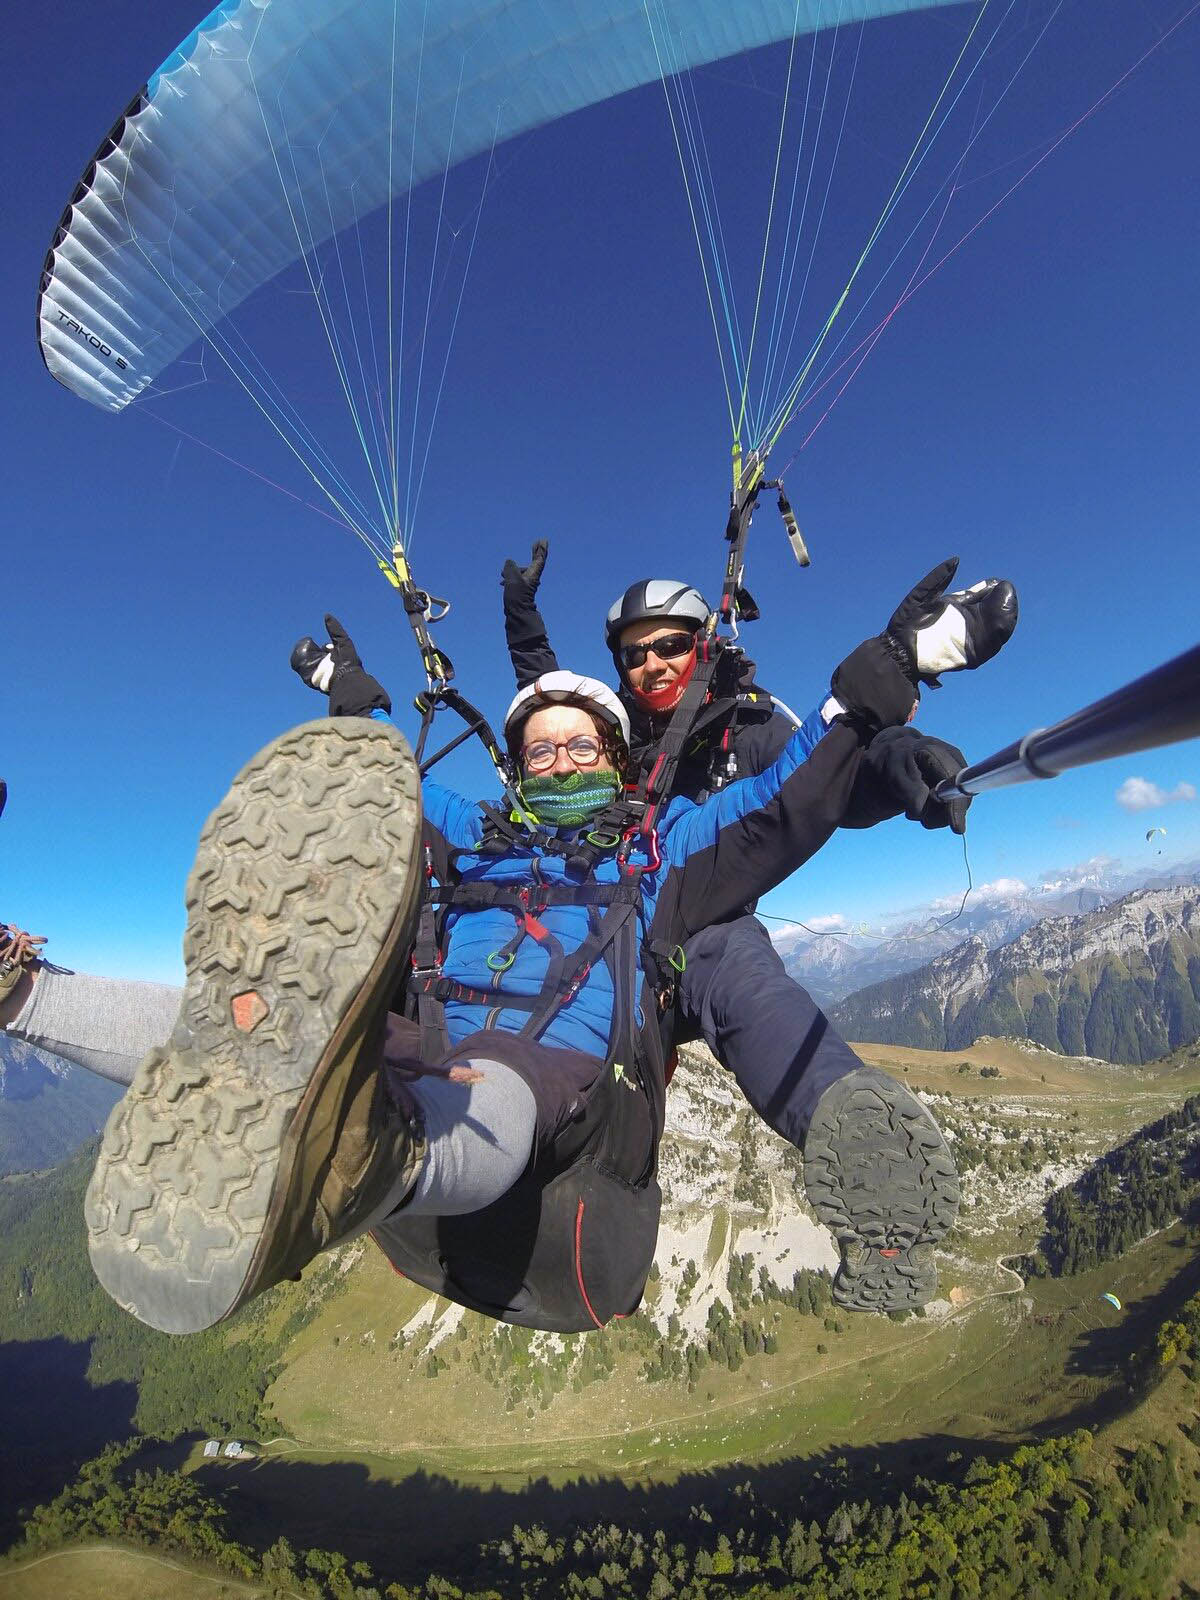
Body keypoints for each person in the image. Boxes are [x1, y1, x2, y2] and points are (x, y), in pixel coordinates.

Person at [78, 593, 957, 1338]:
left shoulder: (659, 846)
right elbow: (394, 793)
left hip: (558, 1086)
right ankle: (29, 997)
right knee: (278, 1018)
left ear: (615, 758)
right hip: (424, 1040)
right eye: (541, 750)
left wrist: (866, 695)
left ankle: (373, 1167)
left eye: (581, 746)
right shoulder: (482, 835)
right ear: (519, 768)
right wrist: (355, 711)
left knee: (492, 1072)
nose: (561, 759)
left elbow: (774, 804)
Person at [489, 546, 1015, 1202]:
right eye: (633, 653)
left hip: (702, 933)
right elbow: (548, 711)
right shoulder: (614, 739)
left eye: (669, 645)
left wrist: (897, 760)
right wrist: (522, 619)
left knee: (735, 962)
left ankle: (854, 1137)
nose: (651, 664)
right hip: (611, 932)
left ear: (702, 643)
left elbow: (822, 771)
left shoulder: (753, 724)